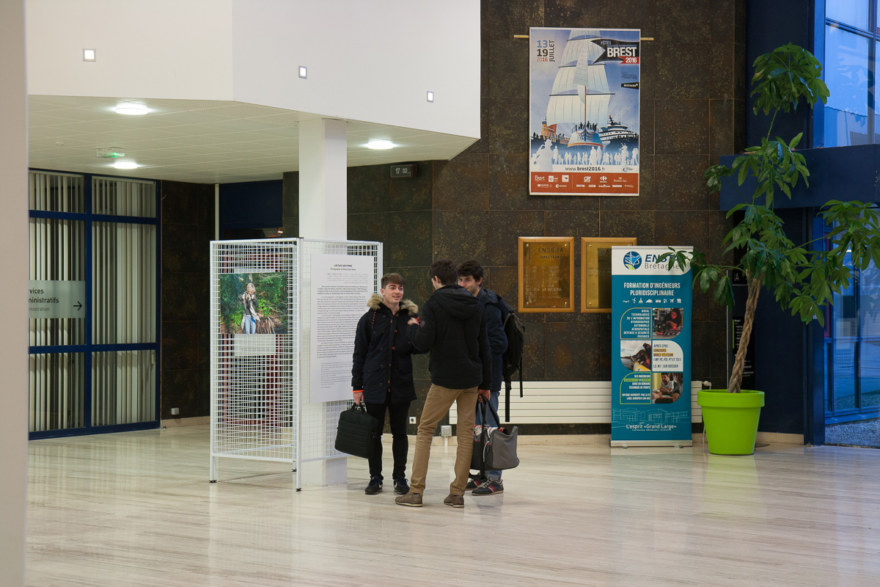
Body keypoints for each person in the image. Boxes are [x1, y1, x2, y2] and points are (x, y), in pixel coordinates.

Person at [395, 259, 491, 508]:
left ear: (436, 279)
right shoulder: (475, 303)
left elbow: (423, 343)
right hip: (471, 379)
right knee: (465, 434)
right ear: (454, 277)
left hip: (445, 378)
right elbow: (485, 346)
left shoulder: (434, 303)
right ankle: (457, 494)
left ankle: (416, 492)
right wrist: (486, 384)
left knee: (425, 429)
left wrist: (414, 328)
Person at [351, 273, 420, 496]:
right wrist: (357, 387)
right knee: (374, 434)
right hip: (374, 385)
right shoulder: (368, 319)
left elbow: (419, 347)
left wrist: (417, 330)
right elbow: (359, 354)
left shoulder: (410, 317)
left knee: (401, 434)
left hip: (400, 384)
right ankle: (375, 477)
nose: (397, 291)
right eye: (392, 287)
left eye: (400, 288)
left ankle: (400, 478)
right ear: (382, 291)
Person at [457, 260, 507, 496]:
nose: (462, 284)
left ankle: (495, 478)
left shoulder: (489, 306)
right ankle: (483, 474)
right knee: (480, 428)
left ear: (479, 281)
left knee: (491, 428)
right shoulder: (471, 303)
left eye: (467, 280)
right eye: (460, 280)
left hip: (489, 378)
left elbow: (499, 343)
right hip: (477, 376)